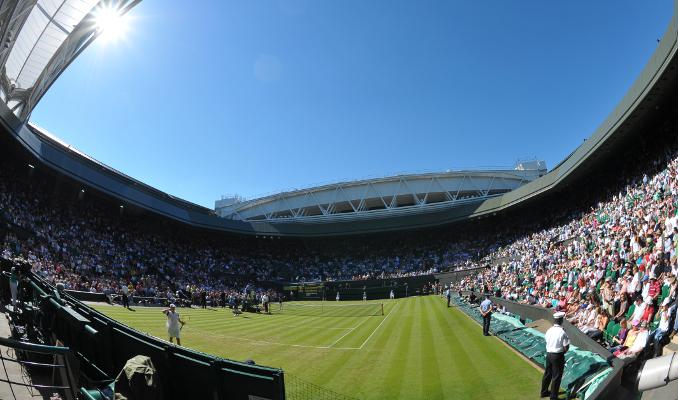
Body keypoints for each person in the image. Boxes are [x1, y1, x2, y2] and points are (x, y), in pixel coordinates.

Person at [541, 311, 570, 399]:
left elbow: (546, 341)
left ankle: (544, 392)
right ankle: (553, 397)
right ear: (561, 320)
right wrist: (562, 354)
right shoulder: (562, 332)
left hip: (549, 354)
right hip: (557, 355)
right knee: (556, 376)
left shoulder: (549, 330)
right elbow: (566, 347)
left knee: (547, 374)